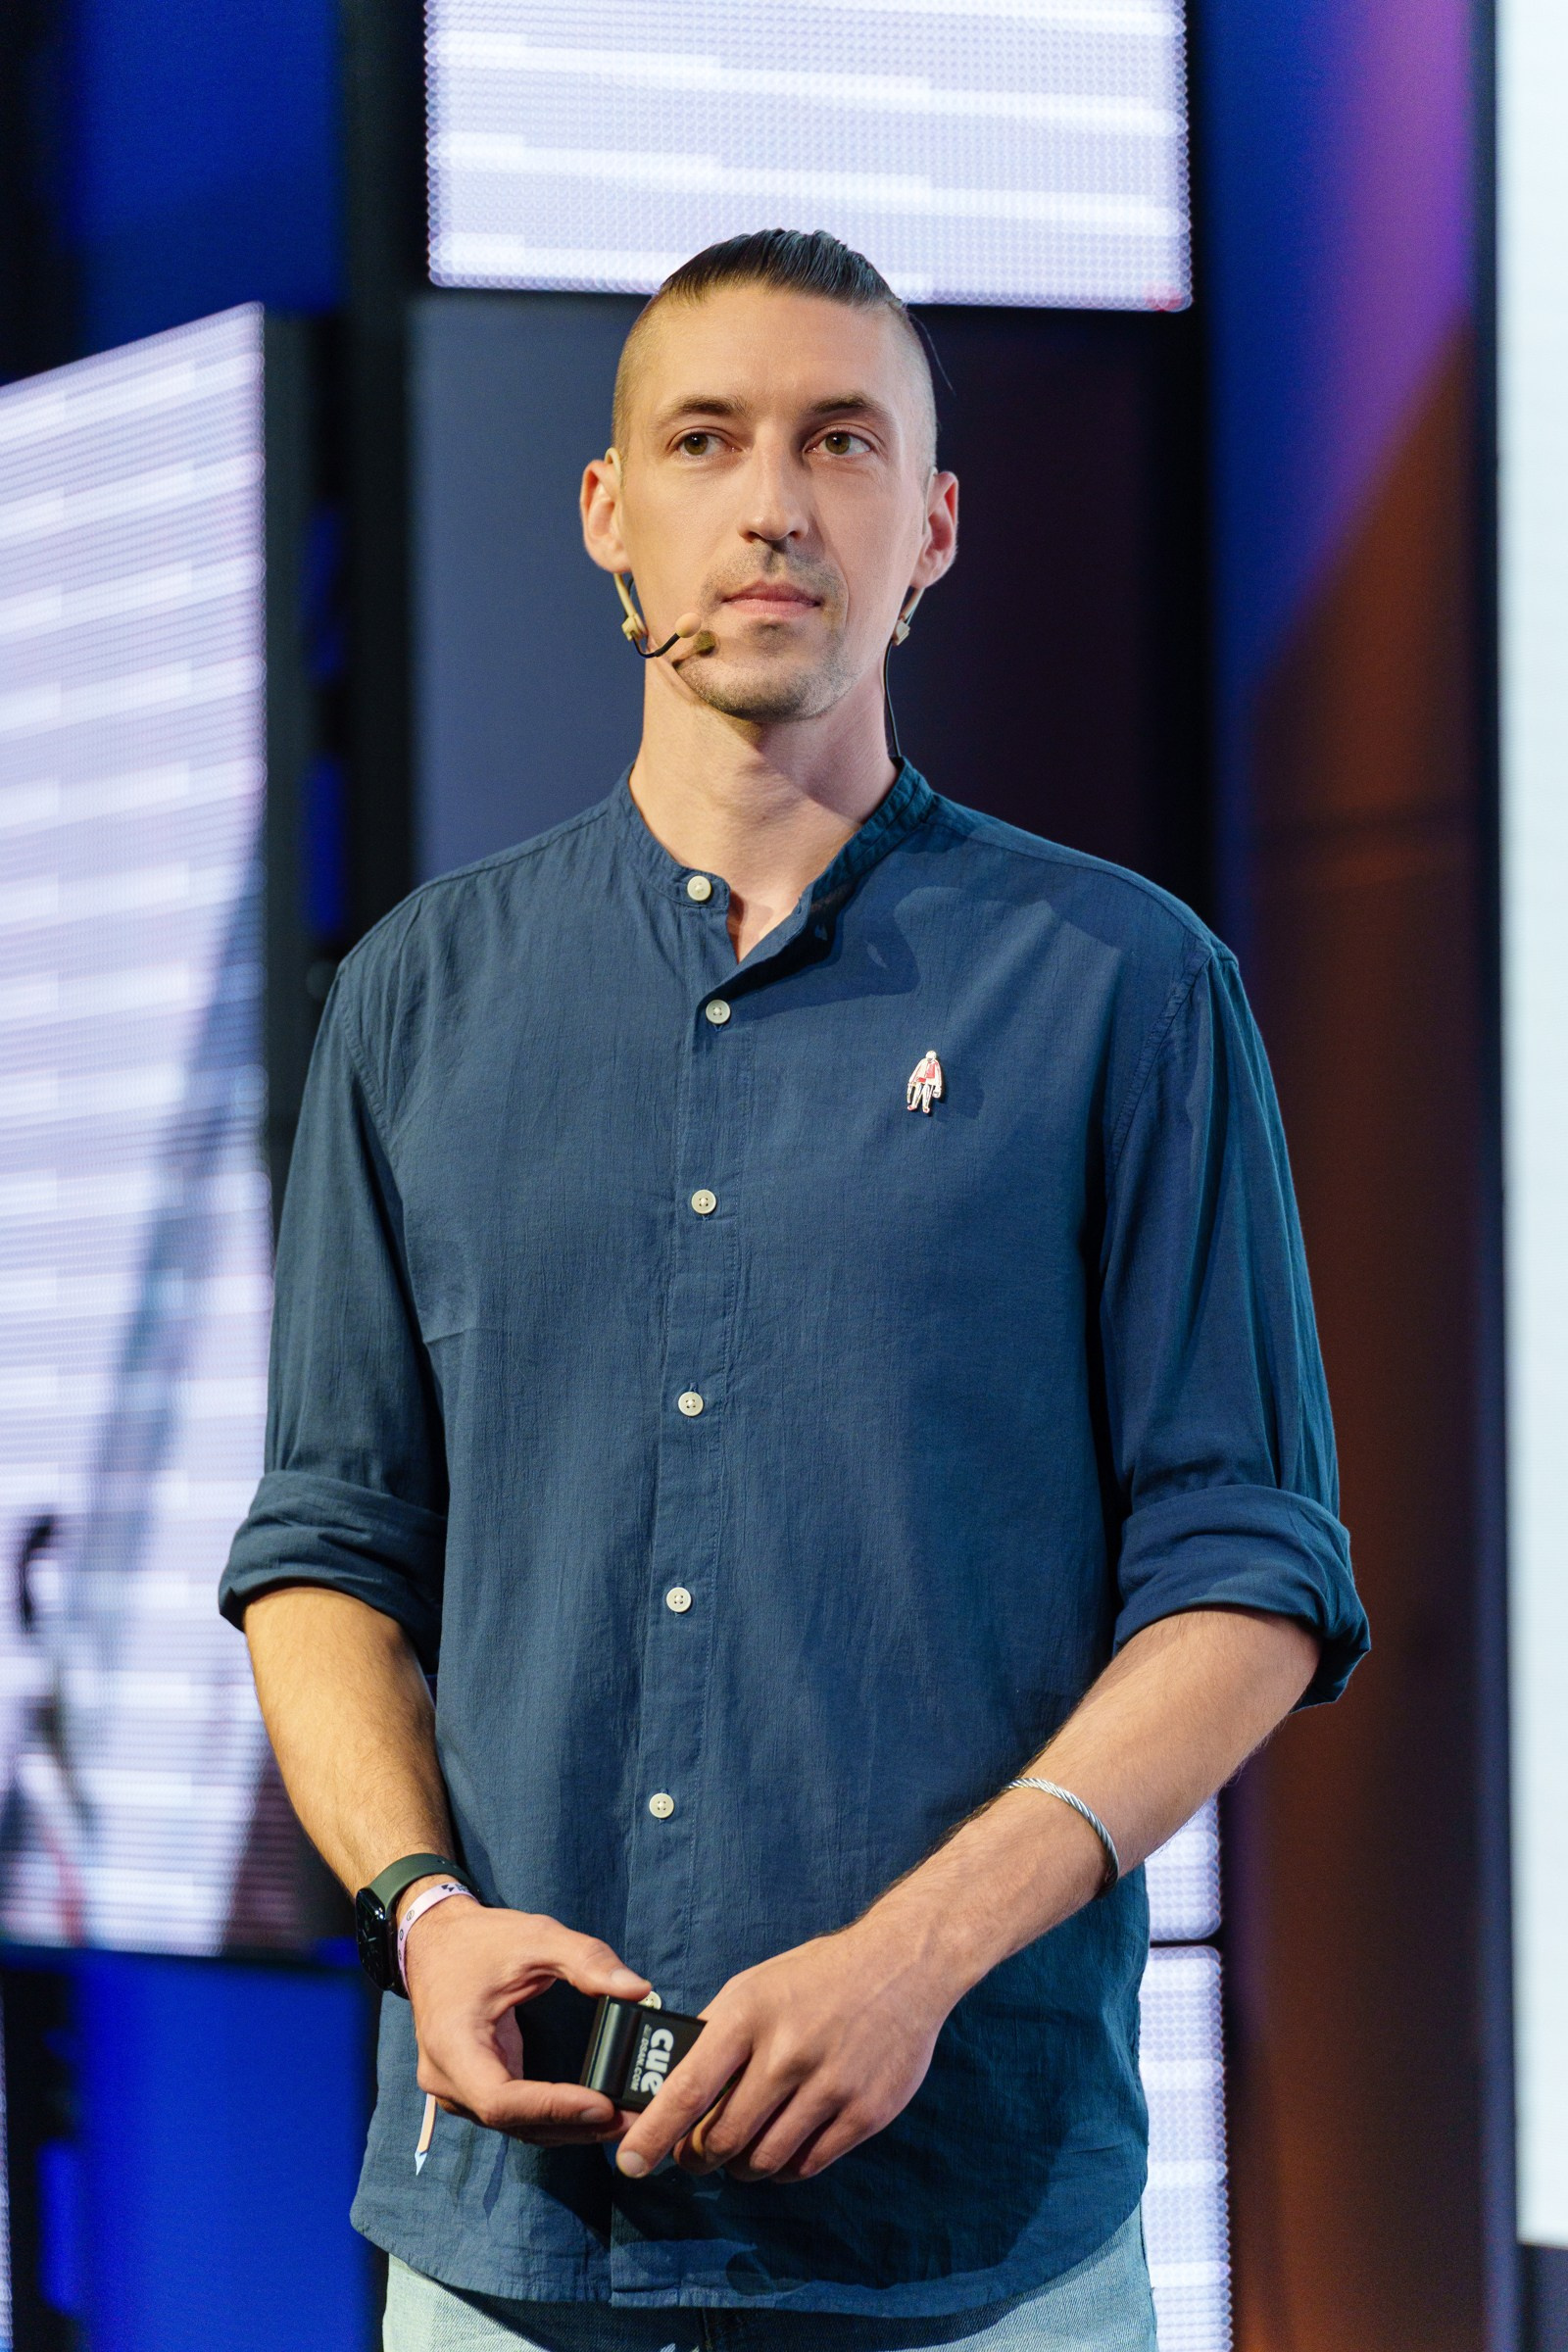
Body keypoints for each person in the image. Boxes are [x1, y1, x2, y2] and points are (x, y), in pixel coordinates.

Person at [220, 229, 1368, 2351]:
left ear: (930, 529)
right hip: (508, 2232)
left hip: (971, 2229)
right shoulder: (414, 1001)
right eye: (706, 440)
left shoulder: (1125, 990)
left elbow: (1249, 1572)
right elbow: (325, 1553)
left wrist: (919, 1954)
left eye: (841, 442)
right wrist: (423, 1912)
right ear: (608, 511)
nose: (772, 501)